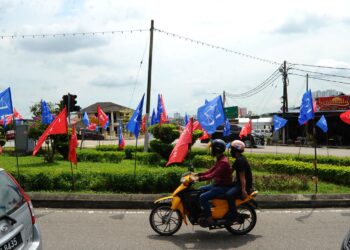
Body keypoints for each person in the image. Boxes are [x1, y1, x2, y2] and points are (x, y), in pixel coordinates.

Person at [191, 139, 233, 226]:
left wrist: (198, 179)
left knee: (203, 197)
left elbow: (212, 175)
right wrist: (197, 174)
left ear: (216, 150)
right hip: (217, 184)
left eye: (212, 149)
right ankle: (204, 210)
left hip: (222, 187)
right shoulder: (220, 159)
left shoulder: (223, 162)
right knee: (199, 190)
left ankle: (209, 218)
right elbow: (210, 171)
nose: (211, 150)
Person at [225, 140, 253, 222]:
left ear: (235, 150)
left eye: (231, 150)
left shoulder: (240, 160)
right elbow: (230, 171)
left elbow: (242, 177)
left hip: (243, 184)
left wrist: (243, 190)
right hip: (239, 183)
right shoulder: (238, 159)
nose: (230, 152)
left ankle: (234, 215)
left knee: (228, 194)